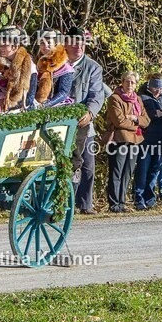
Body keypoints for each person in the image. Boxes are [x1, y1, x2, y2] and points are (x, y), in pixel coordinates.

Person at [65, 26, 106, 215]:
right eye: (75, 43)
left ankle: (85, 203)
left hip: (83, 124)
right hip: (60, 124)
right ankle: (65, 201)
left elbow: (97, 94)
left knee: (87, 166)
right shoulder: (57, 62)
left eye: (82, 43)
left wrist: (90, 113)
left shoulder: (93, 67)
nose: (79, 47)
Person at [102, 72, 149, 213]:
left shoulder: (138, 99)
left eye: (132, 82)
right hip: (119, 139)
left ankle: (122, 202)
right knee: (116, 171)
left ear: (136, 84)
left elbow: (146, 120)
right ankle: (114, 204)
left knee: (128, 172)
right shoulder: (114, 98)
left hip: (135, 141)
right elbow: (119, 121)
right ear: (122, 82)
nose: (129, 84)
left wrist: (134, 118)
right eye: (127, 81)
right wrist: (137, 125)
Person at [133, 74, 162, 210]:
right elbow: (145, 116)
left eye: (160, 88)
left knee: (154, 171)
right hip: (146, 140)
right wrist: (159, 114)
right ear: (150, 86)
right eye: (156, 88)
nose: (158, 91)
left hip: (161, 140)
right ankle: (139, 199)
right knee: (142, 171)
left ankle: (149, 199)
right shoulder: (142, 97)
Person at [0, 25, 36, 111]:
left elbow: (30, 98)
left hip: (21, 103)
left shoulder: (29, 65)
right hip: (1, 99)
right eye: (0, 45)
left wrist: (10, 106)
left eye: (5, 45)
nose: (1, 48)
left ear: (15, 46)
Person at [34, 30, 75, 107]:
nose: (45, 45)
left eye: (49, 42)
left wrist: (45, 105)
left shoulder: (64, 67)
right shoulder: (35, 64)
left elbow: (63, 93)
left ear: (55, 44)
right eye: (42, 43)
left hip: (57, 105)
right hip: (35, 104)